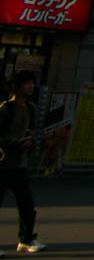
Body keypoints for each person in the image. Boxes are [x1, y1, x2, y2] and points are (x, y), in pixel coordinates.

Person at [0, 71, 45, 254]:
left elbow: (32, 131)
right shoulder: (5, 109)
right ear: (15, 87)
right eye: (26, 83)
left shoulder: (31, 108)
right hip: (2, 164)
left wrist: (29, 141)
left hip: (20, 165)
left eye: (32, 83)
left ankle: (26, 239)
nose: (30, 87)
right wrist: (16, 143)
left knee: (27, 206)